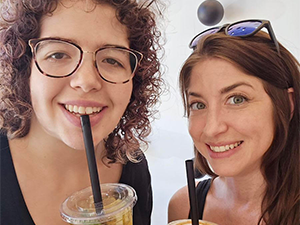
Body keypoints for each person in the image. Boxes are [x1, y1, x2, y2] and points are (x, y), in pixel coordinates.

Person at [0, 0, 164, 224]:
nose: (86, 81)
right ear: (25, 67)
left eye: (111, 60)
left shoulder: (133, 168)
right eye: (58, 55)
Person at [168, 20, 300, 225]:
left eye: (237, 99)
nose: (211, 129)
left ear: (287, 104)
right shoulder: (184, 206)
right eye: (198, 105)